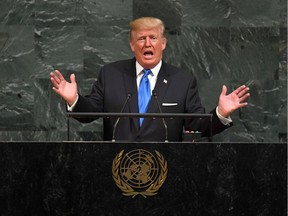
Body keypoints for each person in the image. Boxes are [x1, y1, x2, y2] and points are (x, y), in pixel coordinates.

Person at [50, 17, 250, 142]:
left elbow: (196, 125)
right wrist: (73, 100)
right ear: (132, 45)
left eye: (153, 38)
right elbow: (90, 113)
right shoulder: (111, 74)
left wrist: (220, 113)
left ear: (163, 43)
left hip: (166, 170)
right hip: (116, 168)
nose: (147, 44)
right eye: (141, 38)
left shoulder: (182, 80)